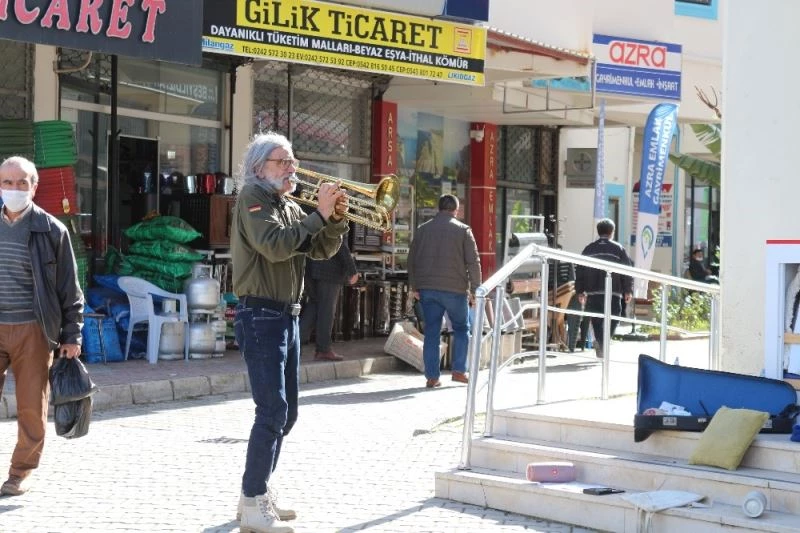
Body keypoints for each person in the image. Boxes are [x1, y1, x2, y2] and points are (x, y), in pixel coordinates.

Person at [230, 132, 349, 533]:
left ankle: (256, 493)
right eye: (283, 162)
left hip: (286, 315)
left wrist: (333, 220)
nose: (292, 168)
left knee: (288, 412)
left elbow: (319, 250)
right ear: (260, 167)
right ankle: (252, 501)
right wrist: (318, 213)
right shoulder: (253, 199)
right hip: (261, 314)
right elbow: (277, 247)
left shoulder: (287, 204)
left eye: (292, 160)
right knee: (272, 411)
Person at [0, 156, 84, 496]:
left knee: (31, 407)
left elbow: (70, 288)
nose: (15, 189)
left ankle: (20, 473)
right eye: (8, 182)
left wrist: (72, 334)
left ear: (34, 187)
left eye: (22, 183)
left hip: (33, 330)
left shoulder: (52, 230)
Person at [408, 194, 481, 388]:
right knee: (462, 329)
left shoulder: (422, 230)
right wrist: (475, 289)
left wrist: (414, 286)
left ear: (438, 209)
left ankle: (432, 377)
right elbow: (473, 262)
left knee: (432, 331)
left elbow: (412, 259)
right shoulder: (464, 231)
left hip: (428, 290)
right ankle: (458, 371)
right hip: (455, 290)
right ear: (456, 210)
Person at [575, 218, 633, 358]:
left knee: (597, 320)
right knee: (614, 317)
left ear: (598, 231)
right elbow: (627, 270)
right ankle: (603, 343)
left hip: (592, 292)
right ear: (612, 232)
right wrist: (627, 289)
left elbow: (580, 270)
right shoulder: (618, 248)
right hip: (613, 292)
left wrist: (580, 291)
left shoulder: (589, 249)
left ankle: (600, 343)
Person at [300, 233, 359, 361]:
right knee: (327, 311)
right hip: (329, 271)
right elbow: (339, 242)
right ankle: (323, 349)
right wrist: (352, 270)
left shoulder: (315, 213)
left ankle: (293, 345)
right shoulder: (335, 214)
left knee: (314, 307)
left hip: (312, 268)